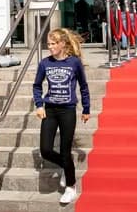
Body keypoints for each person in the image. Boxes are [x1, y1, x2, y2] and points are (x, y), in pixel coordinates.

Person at [33, 28, 90, 205]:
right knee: (46, 150)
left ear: (62, 44)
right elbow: (36, 86)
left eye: (52, 44)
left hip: (67, 110)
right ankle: (67, 166)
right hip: (49, 110)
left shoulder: (74, 63)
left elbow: (83, 86)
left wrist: (86, 108)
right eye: (48, 44)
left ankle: (71, 188)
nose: (49, 47)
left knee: (65, 151)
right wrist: (39, 105)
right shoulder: (44, 64)